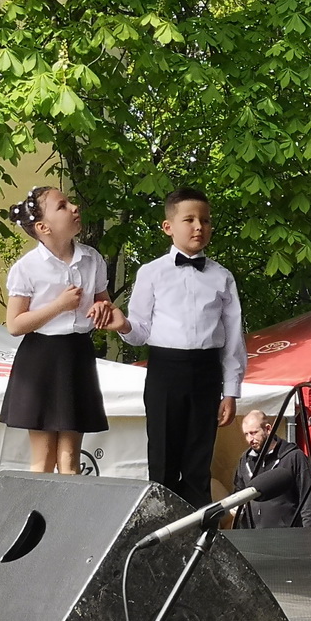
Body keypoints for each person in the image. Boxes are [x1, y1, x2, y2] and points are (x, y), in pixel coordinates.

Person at [115, 187, 246, 507]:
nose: (199, 226)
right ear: (168, 226)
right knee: (162, 458)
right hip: (165, 370)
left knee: (199, 461)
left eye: (205, 220)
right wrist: (123, 325)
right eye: (189, 220)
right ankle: (161, 527)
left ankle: (198, 532)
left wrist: (231, 391)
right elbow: (140, 332)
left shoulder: (222, 277)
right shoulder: (151, 272)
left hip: (206, 372)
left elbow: (233, 338)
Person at [0, 186, 123, 474]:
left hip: (77, 354)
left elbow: (103, 302)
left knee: (69, 460)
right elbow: (15, 324)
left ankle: (70, 505)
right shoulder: (27, 267)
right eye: (62, 206)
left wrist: (102, 309)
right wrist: (59, 306)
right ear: (43, 227)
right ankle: (36, 505)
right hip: (40, 358)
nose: (74, 208)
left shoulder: (92, 259)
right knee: (43, 459)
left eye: (71, 202)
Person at [232, 410, 311, 528]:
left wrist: (309, 535)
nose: (250, 439)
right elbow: (239, 491)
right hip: (254, 535)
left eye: (253, 433)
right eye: (246, 434)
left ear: (268, 429)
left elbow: (309, 503)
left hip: (288, 535)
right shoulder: (245, 460)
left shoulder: (293, 457)